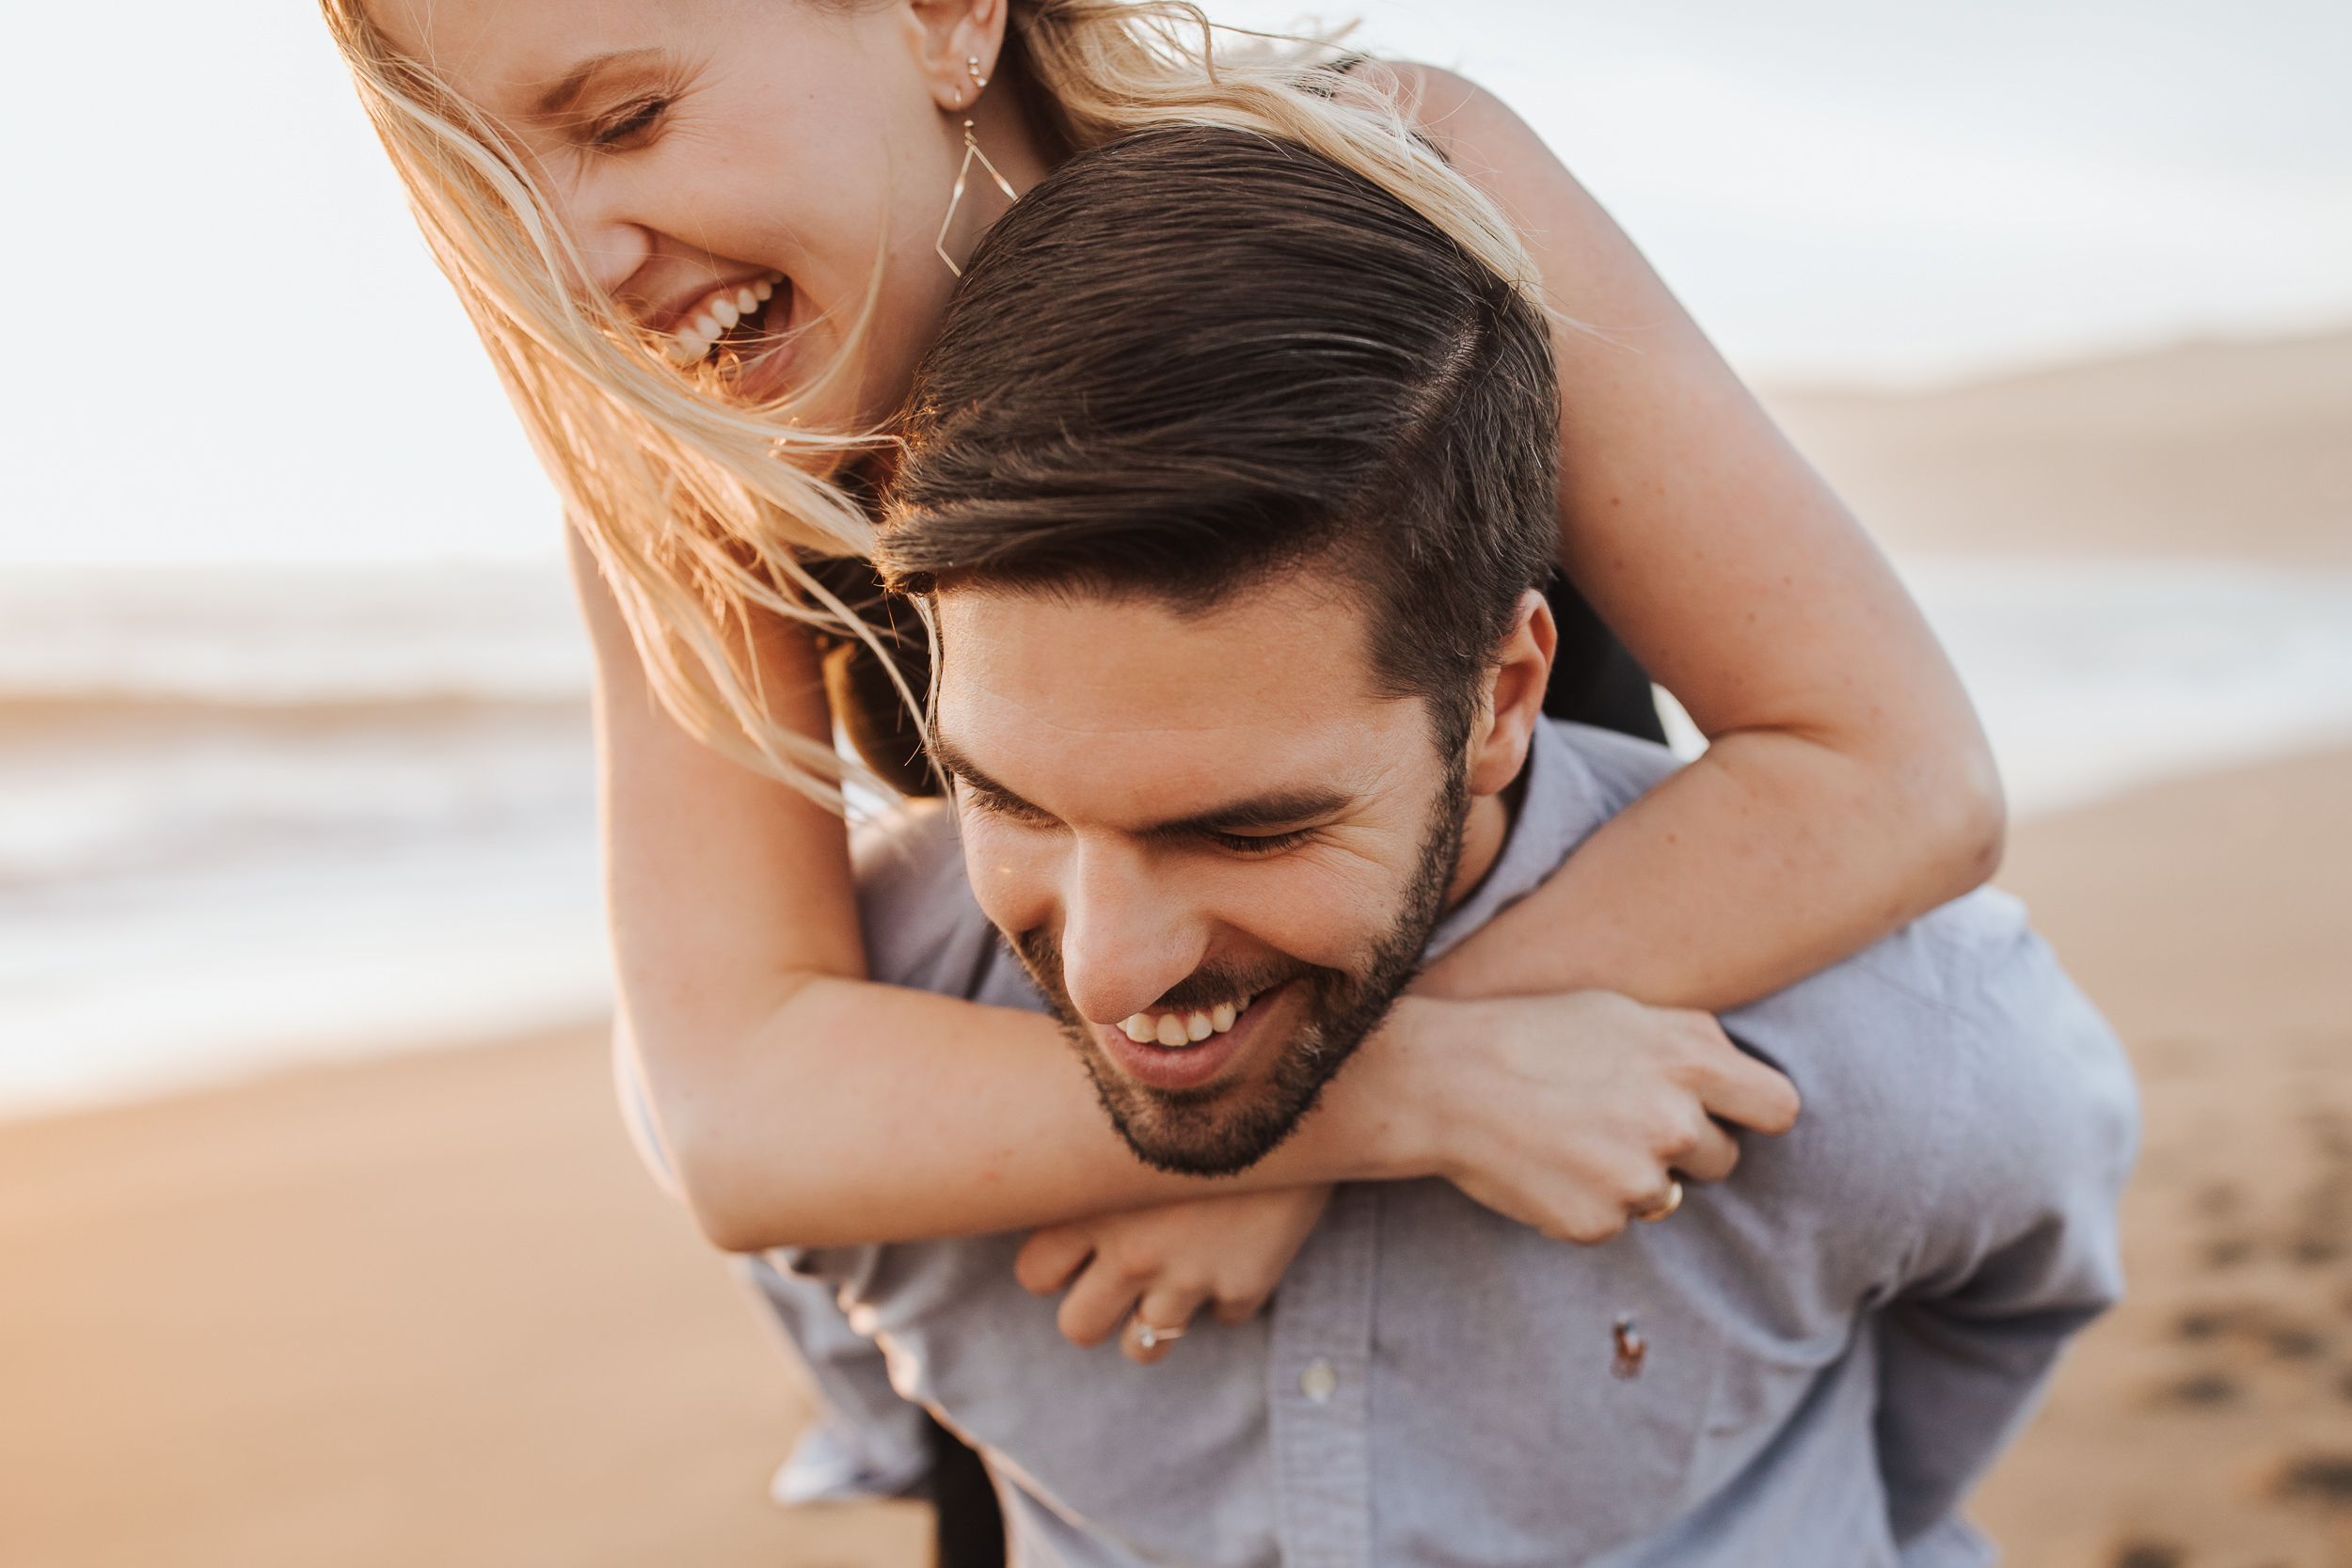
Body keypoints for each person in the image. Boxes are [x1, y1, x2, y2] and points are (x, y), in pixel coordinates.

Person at [780, 124, 2133, 1567]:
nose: (1112, 972)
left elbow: (1998, 1316)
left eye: (1246, 829)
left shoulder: (1892, 1043)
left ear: (1498, 699)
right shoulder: (856, 1050)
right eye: (1013, 803)